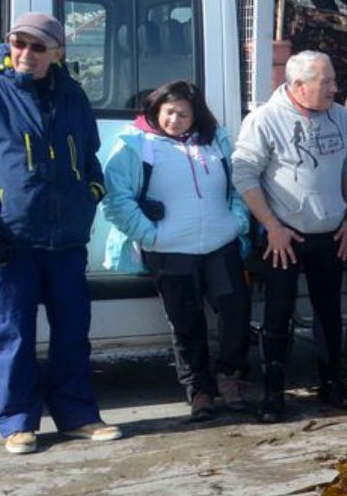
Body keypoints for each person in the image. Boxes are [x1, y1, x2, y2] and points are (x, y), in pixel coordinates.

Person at [0, 12, 121, 454]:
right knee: (13, 333)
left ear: (58, 52)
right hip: (8, 239)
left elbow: (91, 157)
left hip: (66, 240)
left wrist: (90, 193)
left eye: (38, 46)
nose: (26, 53)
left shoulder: (73, 94)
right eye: (19, 43)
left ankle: (78, 415)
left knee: (72, 332)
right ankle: (18, 422)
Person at [102, 81, 253, 421]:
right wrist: (150, 236)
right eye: (169, 112)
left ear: (195, 115)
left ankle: (230, 377)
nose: (175, 119)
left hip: (220, 244)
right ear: (156, 110)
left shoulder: (217, 140)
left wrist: (237, 223)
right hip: (170, 250)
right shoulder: (135, 144)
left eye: (184, 113)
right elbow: (116, 198)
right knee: (186, 322)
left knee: (236, 309)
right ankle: (199, 390)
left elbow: (239, 186)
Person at [232, 51, 347, 422]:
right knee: (278, 313)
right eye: (327, 82)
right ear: (298, 86)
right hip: (285, 236)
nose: (335, 88)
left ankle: (332, 382)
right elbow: (243, 175)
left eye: (334, 80)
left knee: (329, 311)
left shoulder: (341, 116)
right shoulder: (265, 120)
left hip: (332, 231)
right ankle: (274, 394)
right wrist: (271, 225)